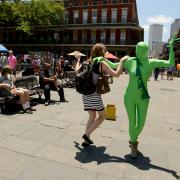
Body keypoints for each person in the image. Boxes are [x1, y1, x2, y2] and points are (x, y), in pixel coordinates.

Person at [123, 35, 176, 158]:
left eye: (143, 49)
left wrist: (172, 46)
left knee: (141, 123)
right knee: (132, 121)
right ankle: (134, 144)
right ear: (136, 50)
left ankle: (133, 138)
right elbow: (114, 66)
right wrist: (102, 59)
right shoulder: (130, 61)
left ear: (147, 51)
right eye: (139, 49)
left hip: (143, 98)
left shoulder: (151, 62)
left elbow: (171, 63)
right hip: (129, 97)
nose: (140, 51)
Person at [75, 43, 129, 147]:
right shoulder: (101, 63)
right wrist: (122, 61)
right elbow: (116, 74)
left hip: (85, 93)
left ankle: (86, 140)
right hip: (94, 94)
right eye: (104, 51)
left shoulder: (87, 61)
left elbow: (76, 71)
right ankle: (87, 134)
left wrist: (78, 59)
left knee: (92, 116)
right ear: (102, 52)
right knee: (102, 116)